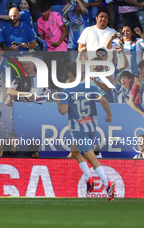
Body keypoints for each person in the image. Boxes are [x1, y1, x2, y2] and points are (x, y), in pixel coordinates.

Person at [57, 61, 115, 201]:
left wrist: (59, 100)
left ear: (70, 74)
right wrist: (109, 115)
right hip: (91, 125)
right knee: (75, 151)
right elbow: (104, 101)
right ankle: (89, 179)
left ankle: (107, 184)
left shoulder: (67, 90)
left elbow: (63, 111)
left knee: (90, 155)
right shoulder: (90, 87)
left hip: (78, 128)